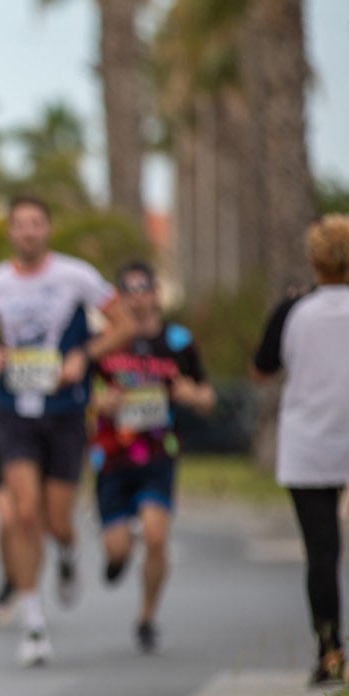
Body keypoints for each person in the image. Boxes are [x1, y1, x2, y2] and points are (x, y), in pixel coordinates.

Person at [0, 196, 133, 666]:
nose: (29, 233)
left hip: (63, 411)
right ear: (10, 233)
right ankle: (34, 622)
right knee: (22, 513)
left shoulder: (76, 276)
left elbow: (124, 323)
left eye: (37, 224)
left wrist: (84, 356)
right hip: (14, 408)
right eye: (21, 225)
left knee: (57, 521)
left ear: (49, 229)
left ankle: (68, 554)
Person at [252, 215, 349, 682]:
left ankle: (330, 653)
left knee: (321, 554)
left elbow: (262, 368)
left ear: (312, 260)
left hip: (308, 446)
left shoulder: (293, 311)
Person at [89, 263, 214, 654]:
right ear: (119, 297)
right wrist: (99, 402)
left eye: (145, 288)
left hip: (159, 456)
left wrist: (190, 395)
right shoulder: (106, 342)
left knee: (157, 537)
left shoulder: (178, 342)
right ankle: (117, 557)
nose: (138, 297)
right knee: (117, 548)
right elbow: (79, 393)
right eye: (129, 290)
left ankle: (146, 617)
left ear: (156, 293)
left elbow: (207, 397)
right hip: (111, 458)